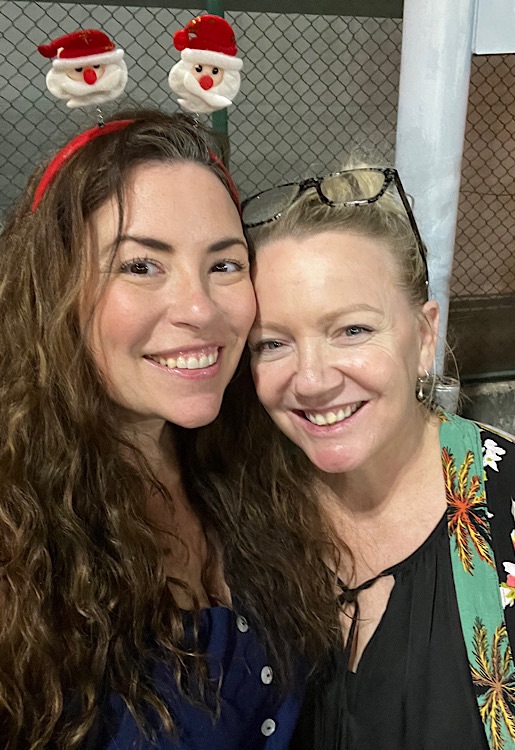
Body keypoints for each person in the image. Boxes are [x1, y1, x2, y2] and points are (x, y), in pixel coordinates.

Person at [204, 166, 515, 750]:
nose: (312, 380)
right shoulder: (240, 510)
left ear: (423, 337)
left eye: (351, 330)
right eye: (273, 343)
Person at [0, 109, 312, 750]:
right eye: (141, 266)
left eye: (225, 265)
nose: (199, 308)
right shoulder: (16, 534)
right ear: (55, 286)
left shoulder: (261, 462)